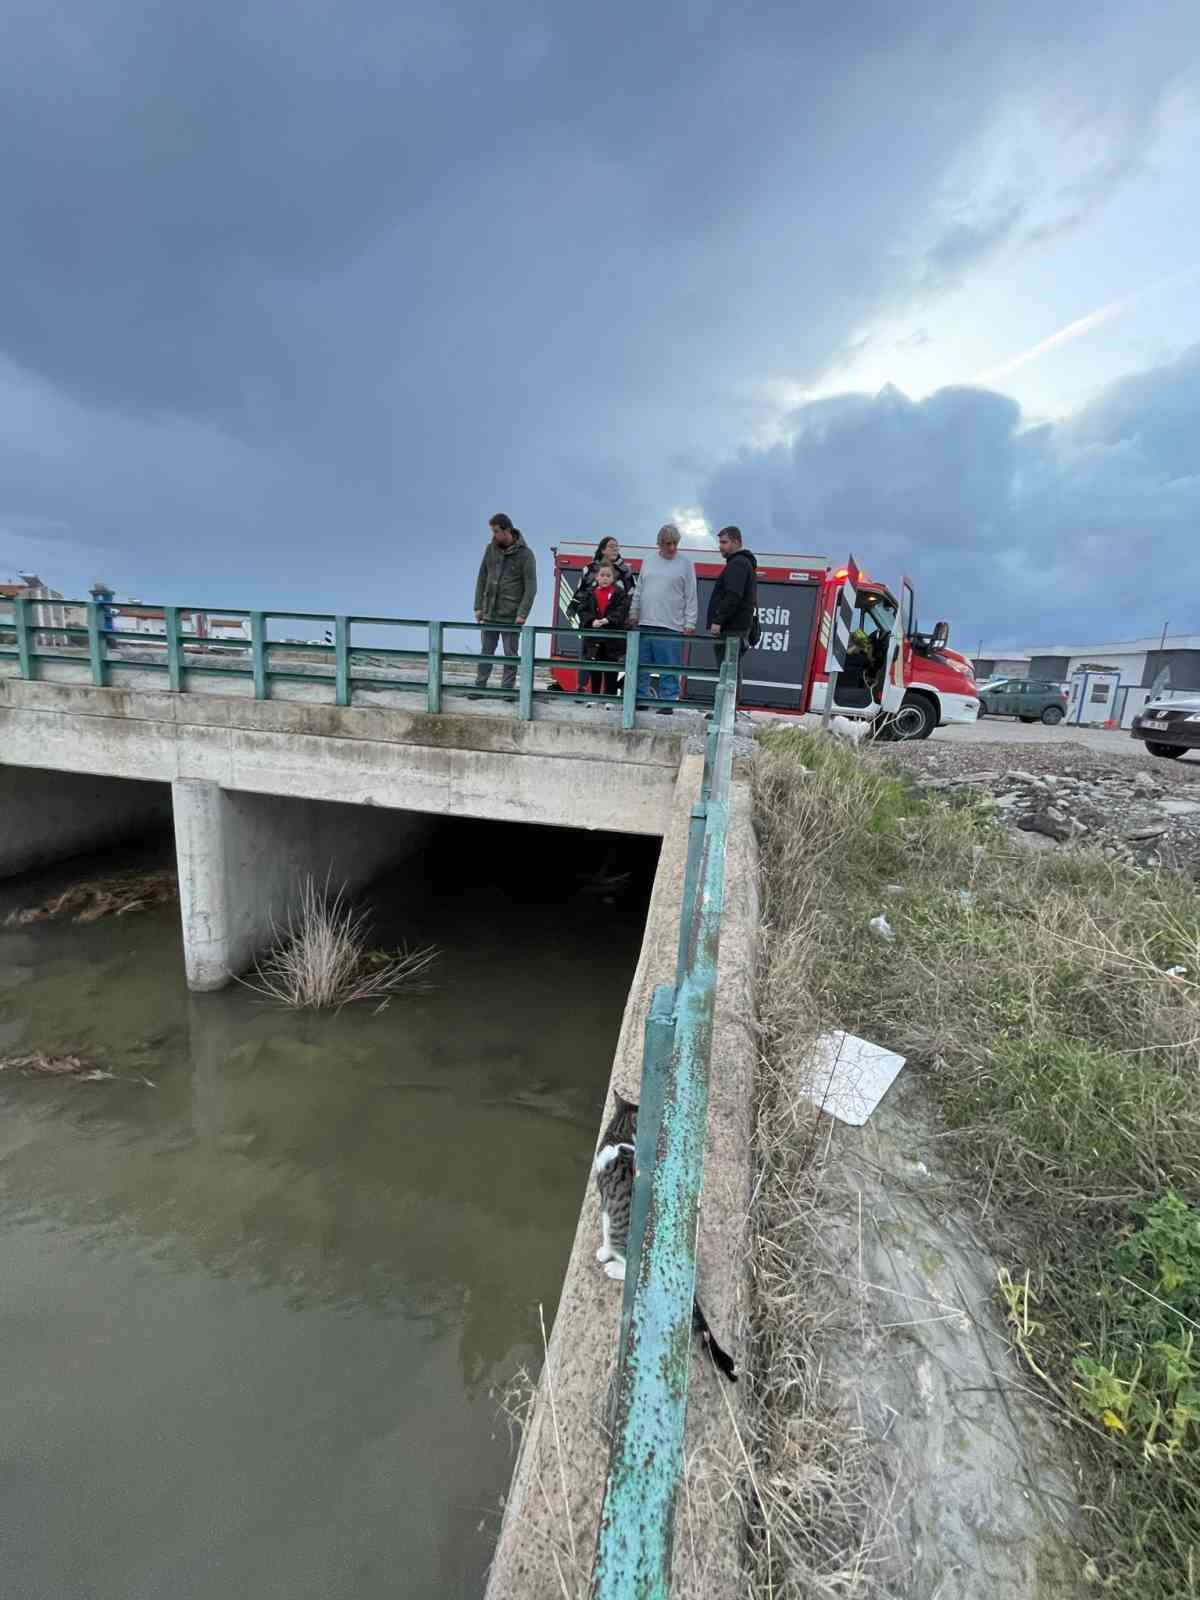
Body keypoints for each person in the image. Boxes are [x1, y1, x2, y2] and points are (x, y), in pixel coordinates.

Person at [629, 522, 697, 715]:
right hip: (645, 621)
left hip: (671, 625)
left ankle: (668, 701)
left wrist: (690, 622)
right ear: (659, 543)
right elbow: (639, 588)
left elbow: (691, 594)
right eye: (668, 543)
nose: (672, 548)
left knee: (669, 666)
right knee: (641, 665)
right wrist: (634, 612)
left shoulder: (685, 563)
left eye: (675, 543)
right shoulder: (648, 560)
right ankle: (641, 699)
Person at [472, 513, 537, 696]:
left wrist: (522, 613)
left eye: (496, 531)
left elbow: (531, 587)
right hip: (490, 613)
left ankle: (507, 691)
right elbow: (482, 577)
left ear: (507, 530)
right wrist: (478, 607)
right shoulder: (490, 549)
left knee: (510, 655)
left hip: (511, 615)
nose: (493, 535)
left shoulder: (526, 555)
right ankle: (479, 687)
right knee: (486, 652)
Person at [706, 525, 757, 703]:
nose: (720, 546)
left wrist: (718, 620)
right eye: (720, 542)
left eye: (724, 542)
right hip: (737, 628)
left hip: (732, 629)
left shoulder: (738, 564)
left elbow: (733, 595)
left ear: (736, 542)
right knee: (731, 670)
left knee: (728, 670)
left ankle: (726, 712)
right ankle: (727, 711)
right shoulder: (742, 563)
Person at [573, 559, 631, 697]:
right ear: (597, 577)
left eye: (608, 575)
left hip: (612, 640)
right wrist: (591, 621)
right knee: (595, 671)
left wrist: (608, 620)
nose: (605, 578)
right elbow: (582, 610)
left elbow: (622, 610)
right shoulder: (590, 593)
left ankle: (609, 698)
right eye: (602, 575)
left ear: (613, 578)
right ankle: (594, 697)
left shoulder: (620, 593)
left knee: (611, 671)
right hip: (594, 639)